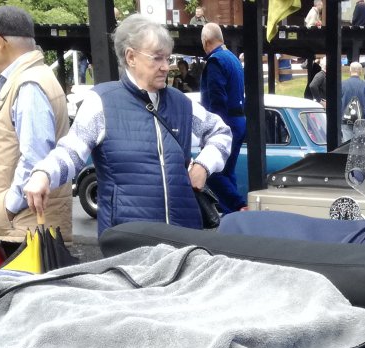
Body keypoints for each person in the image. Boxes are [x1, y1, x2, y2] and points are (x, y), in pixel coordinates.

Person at [22, 14, 230, 236]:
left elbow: (221, 132)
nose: (166, 67)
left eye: (167, 58)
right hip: (128, 241)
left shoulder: (180, 103)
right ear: (131, 57)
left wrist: (204, 165)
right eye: (157, 58)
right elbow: (71, 151)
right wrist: (43, 173)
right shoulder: (102, 102)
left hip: (184, 236)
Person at [0, 4, 74, 248]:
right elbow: (16, 149)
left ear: (0, 40)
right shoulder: (34, 77)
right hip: (28, 225)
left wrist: (9, 206)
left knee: (25, 287)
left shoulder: (28, 84)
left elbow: (35, 159)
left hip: (25, 228)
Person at [199, 22, 246, 212]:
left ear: (205, 41)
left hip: (225, 122)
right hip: (239, 120)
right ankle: (235, 214)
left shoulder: (215, 61)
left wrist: (214, 129)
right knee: (227, 171)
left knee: (212, 171)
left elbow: (217, 97)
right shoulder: (233, 59)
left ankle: (239, 207)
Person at [339, 60, 365, 139]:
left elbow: (337, 103)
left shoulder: (342, 85)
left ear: (350, 70)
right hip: (362, 121)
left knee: (346, 145)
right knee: (360, 146)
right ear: (361, 71)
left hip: (345, 121)